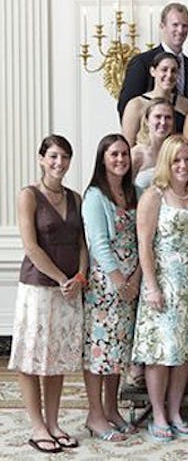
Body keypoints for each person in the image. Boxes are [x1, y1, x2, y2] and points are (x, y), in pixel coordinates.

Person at [131, 134, 188, 443]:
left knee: (185, 353)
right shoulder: (154, 196)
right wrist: (151, 286)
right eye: (176, 160)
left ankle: (176, 411)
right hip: (164, 283)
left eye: (187, 159)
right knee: (161, 353)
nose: (182, 165)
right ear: (166, 162)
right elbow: (145, 245)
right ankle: (159, 414)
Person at [11, 135, 87, 453]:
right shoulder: (29, 195)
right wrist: (60, 279)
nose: (59, 163)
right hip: (38, 289)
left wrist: (79, 277)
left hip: (69, 290)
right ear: (42, 159)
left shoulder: (76, 198)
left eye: (65, 157)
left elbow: (83, 243)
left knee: (55, 360)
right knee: (31, 359)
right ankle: (37, 426)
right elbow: (31, 246)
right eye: (53, 156)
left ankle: (54, 423)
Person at [81, 134, 141, 441]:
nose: (120, 159)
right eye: (114, 154)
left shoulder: (136, 192)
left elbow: (146, 239)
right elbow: (99, 245)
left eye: (124, 154)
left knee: (118, 351)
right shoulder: (95, 196)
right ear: (102, 158)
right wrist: (120, 281)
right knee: (98, 351)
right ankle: (95, 415)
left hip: (131, 284)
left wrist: (137, 278)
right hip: (106, 286)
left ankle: (112, 408)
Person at [117, 2, 188, 119]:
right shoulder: (141, 62)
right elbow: (125, 107)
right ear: (162, 26)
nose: (180, 30)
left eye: (185, 26)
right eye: (175, 25)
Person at [121, 52, 188, 146]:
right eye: (164, 70)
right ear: (153, 71)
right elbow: (128, 145)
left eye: (174, 71)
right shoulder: (136, 104)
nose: (169, 75)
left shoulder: (185, 104)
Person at [131, 98, 174, 192]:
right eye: (158, 117)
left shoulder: (174, 152)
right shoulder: (137, 154)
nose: (163, 122)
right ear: (146, 120)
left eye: (168, 117)